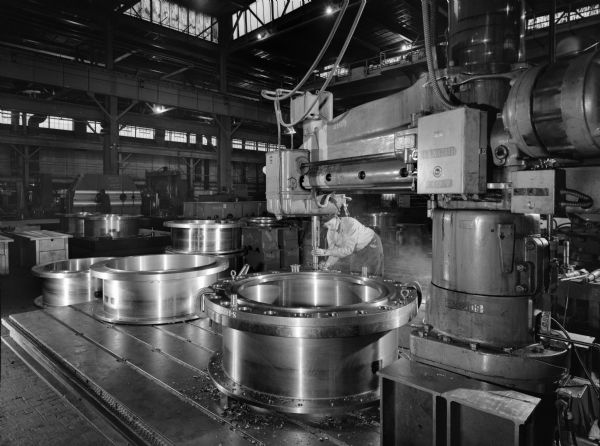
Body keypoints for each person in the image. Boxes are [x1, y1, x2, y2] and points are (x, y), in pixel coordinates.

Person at [311, 214, 384, 276]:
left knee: (371, 275)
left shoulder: (351, 223)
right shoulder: (330, 232)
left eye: (330, 224)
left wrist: (325, 252)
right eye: (327, 226)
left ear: (336, 218)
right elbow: (333, 252)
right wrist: (327, 264)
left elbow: (348, 250)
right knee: (355, 274)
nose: (330, 228)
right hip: (356, 249)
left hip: (371, 244)